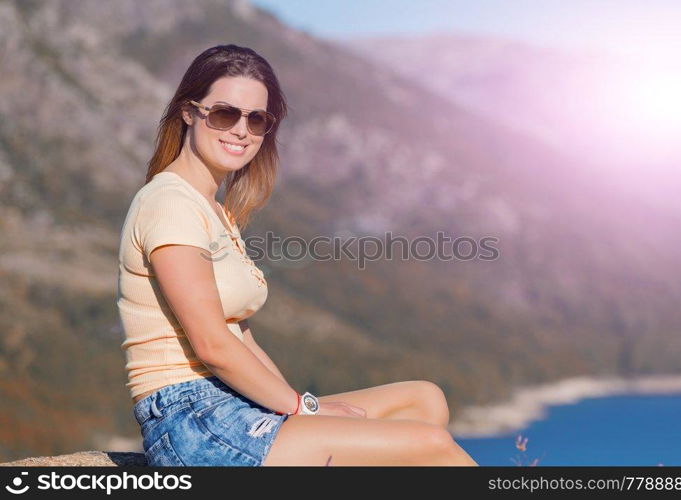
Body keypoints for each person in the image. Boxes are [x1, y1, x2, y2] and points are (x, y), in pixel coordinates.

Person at [116, 44, 478, 466]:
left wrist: (295, 410)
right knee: (432, 448)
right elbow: (212, 345)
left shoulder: (214, 209)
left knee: (422, 402)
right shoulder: (169, 202)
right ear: (188, 112)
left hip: (233, 403)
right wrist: (303, 408)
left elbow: (240, 338)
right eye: (224, 113)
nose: (241, 130)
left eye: (257, 119)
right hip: (194, 420)